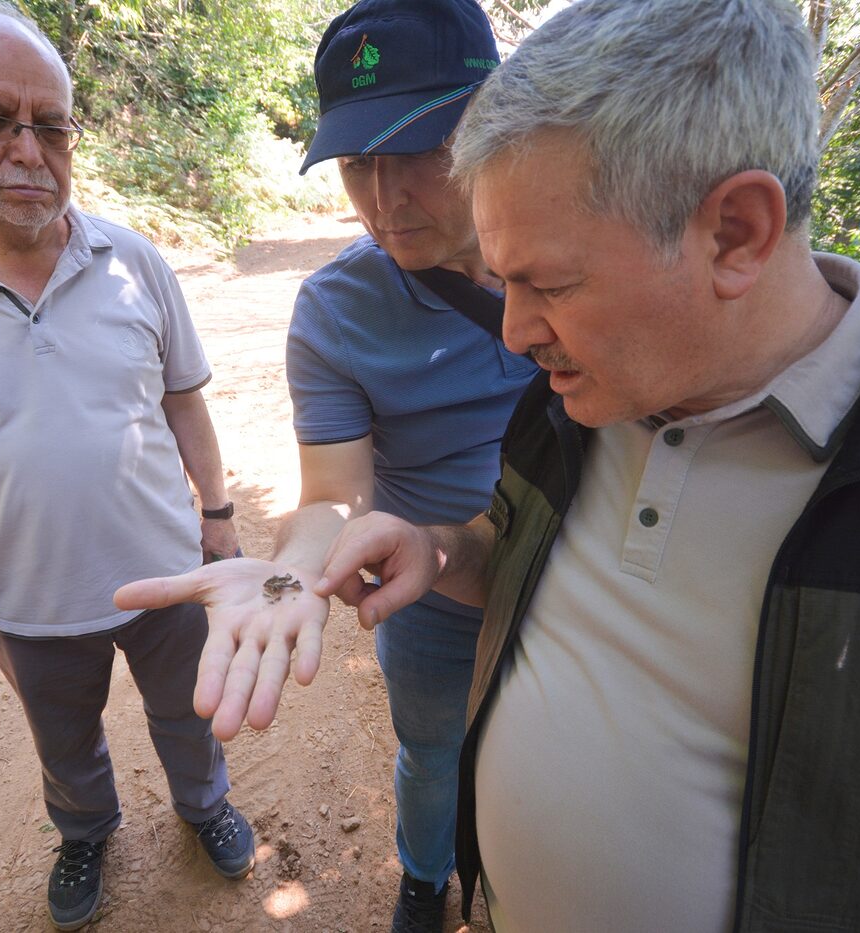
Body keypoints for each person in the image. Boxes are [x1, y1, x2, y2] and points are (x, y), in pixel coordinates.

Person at [130, 0, 860, 930]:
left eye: (549, 283)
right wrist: (436, 553)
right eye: (355, 165)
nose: (512, 333)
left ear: (737, 231)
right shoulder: (574, 396)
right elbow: (481, 534)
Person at [115, 2, 535, 930]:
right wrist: (295, 571)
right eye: (357, 163)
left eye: (420, 149)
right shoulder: (339, 309)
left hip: (581, 577)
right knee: (432, 751)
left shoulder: (594, 247)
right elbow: (334, 495)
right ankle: (426, 878)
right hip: (434, 599)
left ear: (494, 120)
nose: (384, 199)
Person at [0, 2, 253, 929]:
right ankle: (85, 831)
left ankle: (205, 806)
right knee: (63, 739)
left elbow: (184, 397)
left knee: (190, 714)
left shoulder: (134, 260)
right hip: (27, 598)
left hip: (166, 572)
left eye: (54, 126)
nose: (30, 152)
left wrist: (220, 515)